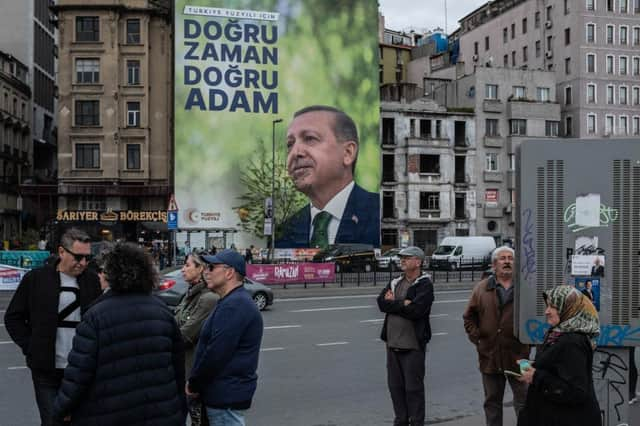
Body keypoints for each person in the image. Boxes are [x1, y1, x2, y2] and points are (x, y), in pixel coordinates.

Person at [52, 243, 187, 425]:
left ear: (111, 274)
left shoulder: (96, 316)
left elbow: (79, 372)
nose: (99, 274)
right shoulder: (162, 312)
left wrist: (61, 409)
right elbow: (177, 367)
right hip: (160, 412)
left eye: (103, 270)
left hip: (108, 412)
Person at [4, 228, 101, 426]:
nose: (83, 263)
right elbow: (13, 317)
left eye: (87, 258)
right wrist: (31, 347)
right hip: (46, 370)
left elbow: (98, 321)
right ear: (62, 251)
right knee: (52, 421)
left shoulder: (91, 281)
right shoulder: (36, 279)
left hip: (82, 369)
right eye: (78, 257)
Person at [275, 105, 380, 249]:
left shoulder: (379, 214)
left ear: (348, 153)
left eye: (310, 138)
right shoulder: (284, 232)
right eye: (289, 144)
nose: (295, 152)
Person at [187, 249, 264, 425]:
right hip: (223, 393)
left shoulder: (235, 305)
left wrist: (194, 384)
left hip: (224, 396)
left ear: (229, 273)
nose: (206, 271)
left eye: (212, 267)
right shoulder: (232, 301)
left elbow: (216, 353)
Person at [463, 246, 530, 426]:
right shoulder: (482, 288)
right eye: (502, 258)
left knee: (524, 399)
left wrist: (531, 343)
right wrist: (478, 338)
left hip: (520, 355)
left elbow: (536, 317)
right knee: (492, 401)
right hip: (489, 355)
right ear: (494, 264)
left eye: (510, 258)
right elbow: (469, 317)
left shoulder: (525, 286)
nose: (507, 261)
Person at [517, 285, 601, 426]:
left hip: (568, 419)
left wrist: (535, 376)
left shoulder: (572, 342)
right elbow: (558, 367)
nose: (546, 311)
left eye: (552, 307)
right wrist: (534, 366)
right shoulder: (559, 334)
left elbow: (576, 391)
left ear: (568, 308)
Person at [376, 246, 434, 426]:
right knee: (396, 388)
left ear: (417, 262)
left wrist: (394, 303)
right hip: (392, 344)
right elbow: (381, 303)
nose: (402, 260)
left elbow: (417, 310)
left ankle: (416, 422)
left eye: (406, 258)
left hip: (413, 346)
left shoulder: (424, 284)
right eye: (401, 258)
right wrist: (402, 304)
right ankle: (400, 421)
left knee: (413, 389)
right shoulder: (396, 282)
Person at [175, 251, 219, 426]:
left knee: (198, 421)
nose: (183, 270)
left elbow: (184, 335)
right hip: (181, 370)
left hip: (193, 373)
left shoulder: (208, 298)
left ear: (200, 268)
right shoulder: (189, 294)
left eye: (187, 265)